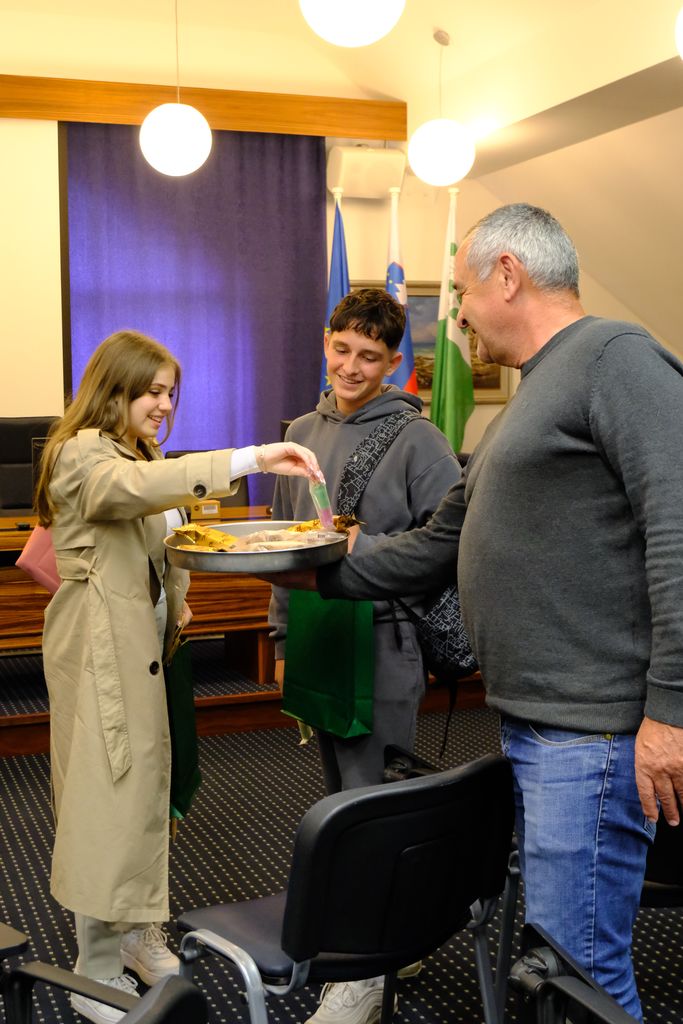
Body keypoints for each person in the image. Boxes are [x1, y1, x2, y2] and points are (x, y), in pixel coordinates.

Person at [271, 204, 683, 1021]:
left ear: (508, 274)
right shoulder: (530, 395)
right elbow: (438, 544)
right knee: (555, 967)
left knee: (581, 974)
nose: (455, 314)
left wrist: (670, 710)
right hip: (538, 723)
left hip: (591, 733)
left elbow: (676, 529)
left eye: (460, 293)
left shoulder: (615, 359)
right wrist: (309, 571)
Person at [34, 329, 323, 1024]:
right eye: (152, 392)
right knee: (107, 803)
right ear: (115, 389)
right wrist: (255, 456)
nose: (165, 406)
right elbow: (132, 494)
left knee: (147, 795)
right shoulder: (81, 453)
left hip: (151, 646)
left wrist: (176, 594)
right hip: (101, 653)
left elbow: (156, 537)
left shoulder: (139, 450)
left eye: (170, 393)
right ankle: (94, 972)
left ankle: (136, 934)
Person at [269, 288, 461, 1024]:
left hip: (382, 638)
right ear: (326, 342)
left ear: (392, 362)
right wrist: (281, 638)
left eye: (370, 357)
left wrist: (363, 546)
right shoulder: (298, 432)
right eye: (342, 349)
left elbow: (449, 546)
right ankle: (380, 938)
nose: (351, 367)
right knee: (336, 802)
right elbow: (284, 548)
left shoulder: (418, 439)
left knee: (375, 803)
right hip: (319, 638)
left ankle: (368, 973)